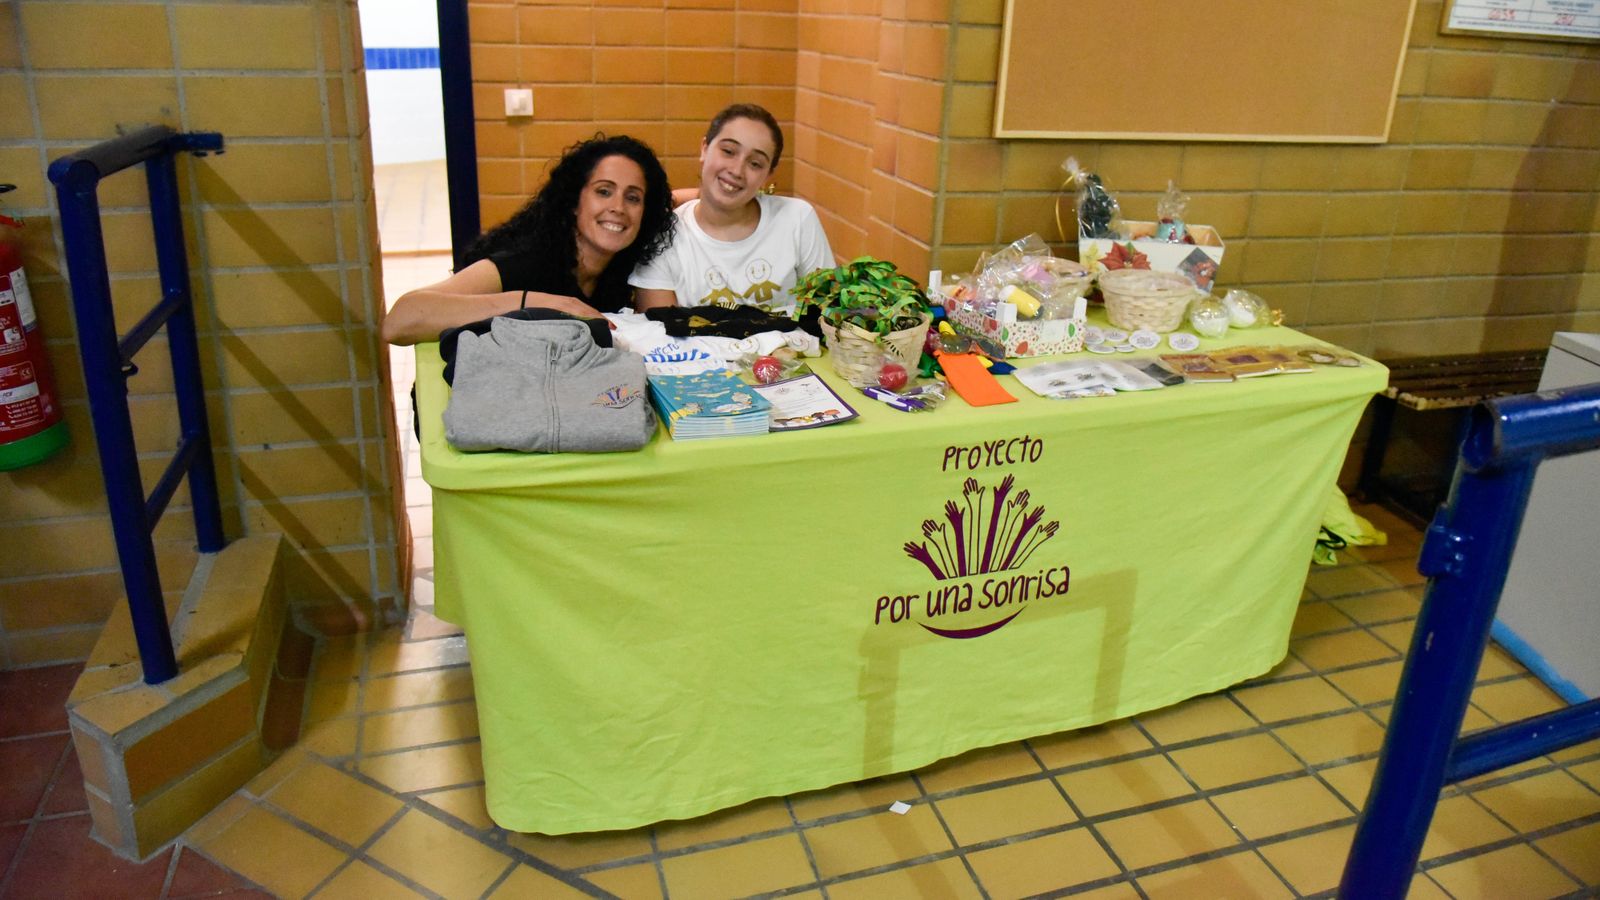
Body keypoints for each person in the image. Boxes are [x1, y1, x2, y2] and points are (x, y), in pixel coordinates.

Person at [381, 134, 676, 345]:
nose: (618, 207)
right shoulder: (525, 262)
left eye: (633, 198)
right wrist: (534, 303)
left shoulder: (619, 269)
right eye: (603, 191)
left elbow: (676, 202)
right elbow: (398, 321)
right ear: (574, 201)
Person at [629, 104, 834, 316]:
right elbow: (660, 330)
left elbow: (827, 314)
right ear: (704, 148)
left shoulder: (797, 219)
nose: (737, 171)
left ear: (768, 175)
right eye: (728, 151)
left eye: (755, 163)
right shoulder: (665, 235)